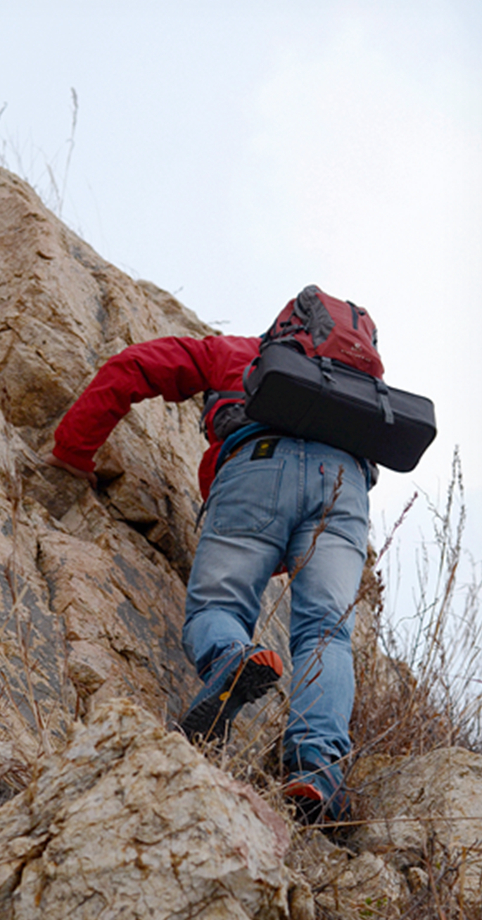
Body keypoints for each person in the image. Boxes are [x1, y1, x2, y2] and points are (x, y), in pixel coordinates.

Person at [43, 305, 373, 829]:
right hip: (346, 486)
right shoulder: (357, 399)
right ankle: (317, 771)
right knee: (327, 634)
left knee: (218, 607)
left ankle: (231, 656)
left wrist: (72, 450)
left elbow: (134, 366)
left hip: (256, 463)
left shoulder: (240, 355)